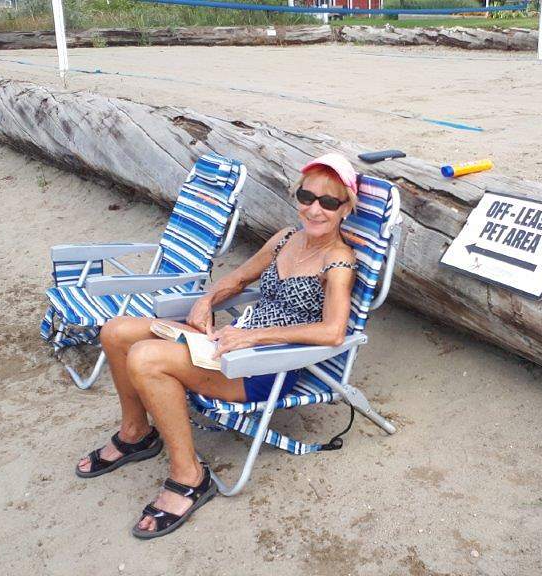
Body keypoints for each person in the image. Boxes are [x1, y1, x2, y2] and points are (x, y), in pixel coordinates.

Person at [74, 153, 359, 539]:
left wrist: (252, 337)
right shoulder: (286, 238)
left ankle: (190, 476)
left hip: (265, 365)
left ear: (346, 209)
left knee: (145, 358)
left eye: (329, 202)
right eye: (306, 197)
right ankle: (136, 432)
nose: (314, 209)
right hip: (228, 345)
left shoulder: (338, 261)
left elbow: (333, 332)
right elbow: (238, 279)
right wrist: (208, 300)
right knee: (115, 330)